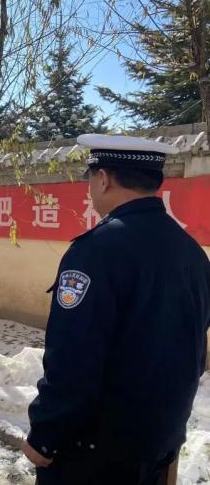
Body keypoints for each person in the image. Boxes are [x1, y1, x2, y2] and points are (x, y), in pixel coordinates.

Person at [22, 134, 210, 485]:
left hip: (94, 454)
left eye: (91, 178)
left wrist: (45, 435)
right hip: (158, 445)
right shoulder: (190, 252)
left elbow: (74, 359)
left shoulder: (95, 252)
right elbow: (194, 352)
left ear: (104, 179)